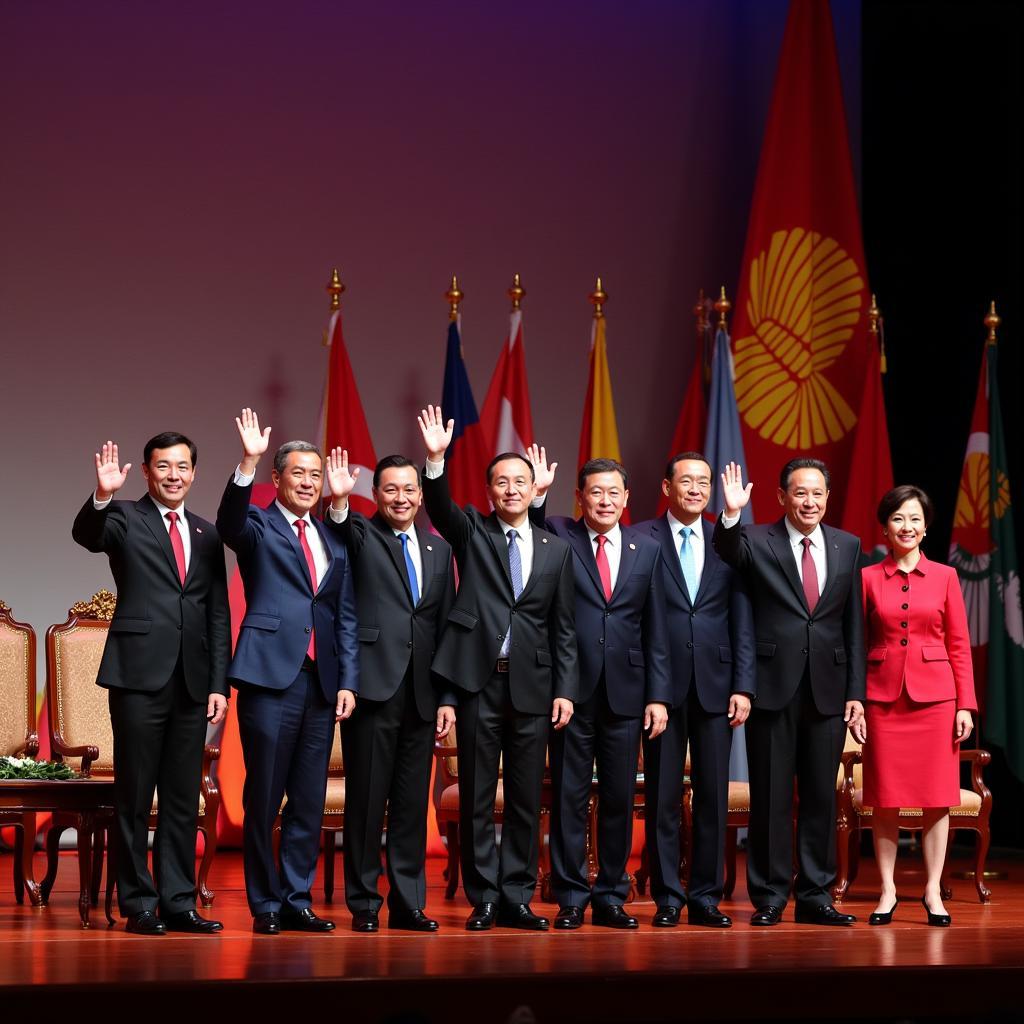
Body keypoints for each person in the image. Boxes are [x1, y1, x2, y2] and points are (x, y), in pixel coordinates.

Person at [418, 406, 578, 931]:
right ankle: (483, 896)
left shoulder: (556, 548)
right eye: (502, 483)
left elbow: (564, 626)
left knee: (527, 797)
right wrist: (437, 460)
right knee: (479, 795)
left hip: (533, 684)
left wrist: (565, 690)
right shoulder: (475, 533)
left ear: (535, 490)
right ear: (489, 493)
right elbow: (440, 510)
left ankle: (517, 895)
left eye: (521, 482)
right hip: (478, 682)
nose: (511, 489)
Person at [72, 434, 229, 935]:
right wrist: (100, 495)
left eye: (183, 466)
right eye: (164, 466)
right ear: (145, 471)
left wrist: (218, 684)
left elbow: (217, 614)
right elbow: (87, 535)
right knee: (136, 795)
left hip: (193, 680)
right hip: (139, 676)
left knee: (183, 798)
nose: (174, 475)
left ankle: (179, 902)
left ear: (194, 473)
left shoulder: (206, 534)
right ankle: (138, 903)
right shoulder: (123, 517)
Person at [216, 408, 359, 935]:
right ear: (277, 479)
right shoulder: (257, 524)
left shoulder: (333, 536)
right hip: (269, 677)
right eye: (297, 473)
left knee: (308, 796)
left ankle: (297, 898)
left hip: (321, 682)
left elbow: (344, 612)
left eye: (314, 475)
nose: (307, 482)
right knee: (264, 794)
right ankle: (265, 903)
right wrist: (247, 463)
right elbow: (229, 522)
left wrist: (347, 679)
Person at [713, 459, 865, 926]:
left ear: (827, 498)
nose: (809, 502)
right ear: (781, 497)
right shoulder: (757, 539)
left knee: (821, 794)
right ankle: (771, 895)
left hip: (828, 687)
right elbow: (727, 550)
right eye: (800, 493)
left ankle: (816, 894)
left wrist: (855, 691)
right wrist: (733, 514)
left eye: (817, 493)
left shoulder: (847, 544)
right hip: (771, 685)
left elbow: (853, 623)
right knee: (772, 798)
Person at [527, 448, 671, 930]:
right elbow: (530, 521)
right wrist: (539, 492)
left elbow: (655, 627)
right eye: (596, 492)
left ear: (627, 498)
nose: (605, 501)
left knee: (616, 798)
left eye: (614, 492)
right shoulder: (561, 535)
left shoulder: (646, 549)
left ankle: (611, 893)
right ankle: (571, 894)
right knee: (569, 794)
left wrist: (657, 695)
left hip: (628, 693)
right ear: (579, 497)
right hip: (570, 690)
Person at [324, 451, 456, 933]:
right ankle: (363, 903)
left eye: (409, 490)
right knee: (366, 801)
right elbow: (335, 532)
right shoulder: (361, 534)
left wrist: (447, 697)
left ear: (421, 496)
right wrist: (337, 502)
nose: (401, 498)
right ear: (376, 495)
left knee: (408, 803)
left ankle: (408, 903)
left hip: (423, 692)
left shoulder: (439, 550)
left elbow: (443, 627)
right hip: (373, 688)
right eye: (390, 490)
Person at [632, 452, 755, 928]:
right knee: (662, 800)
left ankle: (704, 896)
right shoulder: (640, 539)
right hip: (659, 690)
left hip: (718, 688)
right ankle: (667, 896)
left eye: (704, 481)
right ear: (667, 488)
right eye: (686, 481)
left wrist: (744, 685)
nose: (696, 489)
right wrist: (650, 690)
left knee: (711, 798)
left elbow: (742, 617)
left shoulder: (729, 541)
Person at [860, 485, 976, 927]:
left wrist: (965, 704)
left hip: (936, 700)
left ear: (926, 528)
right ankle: (887, 890)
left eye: (914, 519)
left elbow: (959, 645)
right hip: (882, 698)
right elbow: (858, 643)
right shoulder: (867, 577)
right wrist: (857, 701)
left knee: (937, 799)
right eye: (897, 519)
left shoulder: (946, 576)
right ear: (885, 528)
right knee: (884, 799)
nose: (906, 527)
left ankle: (932, 889)